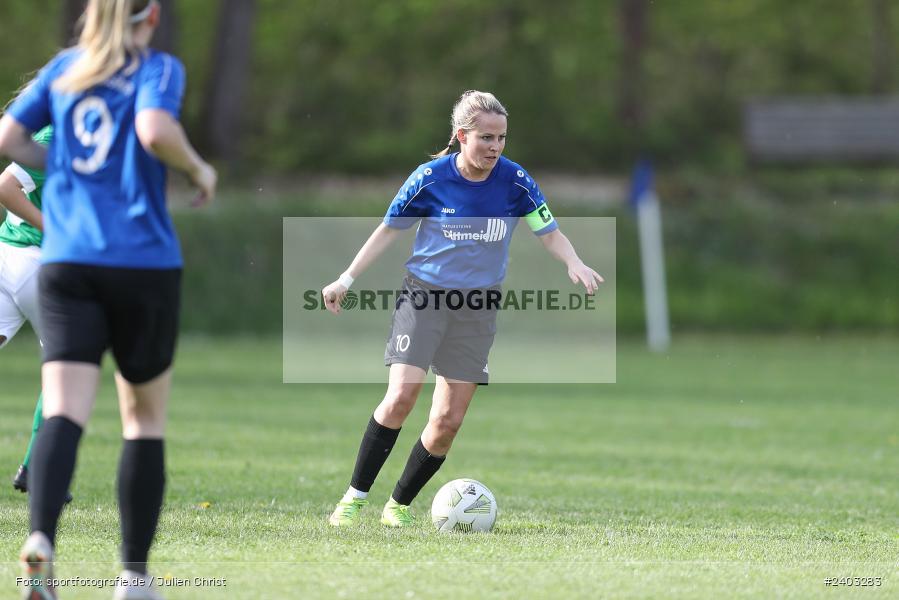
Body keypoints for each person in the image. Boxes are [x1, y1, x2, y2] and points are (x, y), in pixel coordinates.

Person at [0, 1, 216, 598]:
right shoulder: (157, 68)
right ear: (151, 19)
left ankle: (41, 542)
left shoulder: (66, 68)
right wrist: (198, 169)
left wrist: (65, 165)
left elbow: (9, 137)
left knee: (64, 410)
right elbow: (153, 129)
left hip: (66, 263)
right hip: (140, 263)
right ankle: (133, 578)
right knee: (142, 419)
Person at [322, 90, 603, 528]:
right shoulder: (429, 178)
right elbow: (387, 231)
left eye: (502, 138)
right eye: (486, 138)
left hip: (478, 307)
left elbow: (548, 231)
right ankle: (353, 498)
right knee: (400, 397)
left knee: (448, 421)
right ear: (461, 136)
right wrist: (346, 279)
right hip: (424, 297)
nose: (495, 147)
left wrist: (574, 261)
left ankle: (398, 507)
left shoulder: (516, 181)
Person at [0, 126, 74, 505]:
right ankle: (36, 468)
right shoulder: (58, 136)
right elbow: (6, 185)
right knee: (68, 366)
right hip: (36, 264)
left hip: (7, 256)